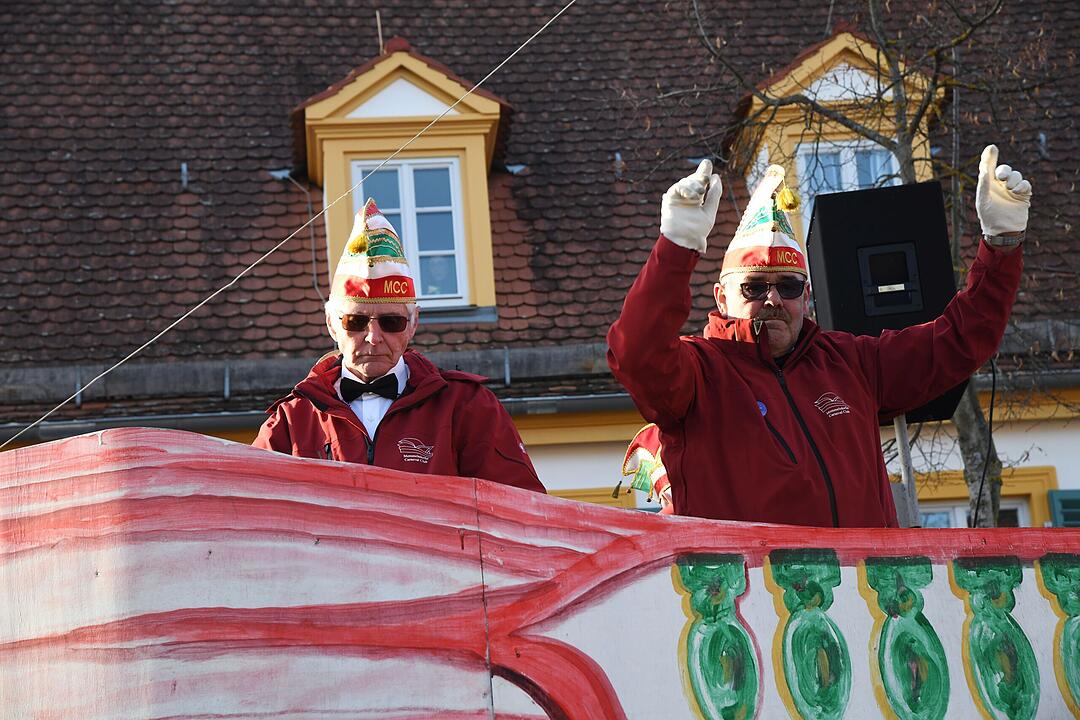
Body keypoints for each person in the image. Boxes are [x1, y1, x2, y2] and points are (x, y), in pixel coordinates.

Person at [607, 145, 1030, 526]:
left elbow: (959, 341)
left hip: (865, 603)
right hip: (746, 606)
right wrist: (677, 246)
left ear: (807, 297)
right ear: (721, 297)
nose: (772, 298)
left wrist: (1002, 246)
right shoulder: (698, 372)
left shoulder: (852, 362)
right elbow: (635, 352)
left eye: (788, 287)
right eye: (754, 287)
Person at [254, 199, 544, 493]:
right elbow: (248, 512)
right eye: (355, 321)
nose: (373, 337)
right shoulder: (292, 420)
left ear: (414, 323)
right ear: (331, 323)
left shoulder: (467, 407)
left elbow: (521, 511)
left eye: (391, 322)